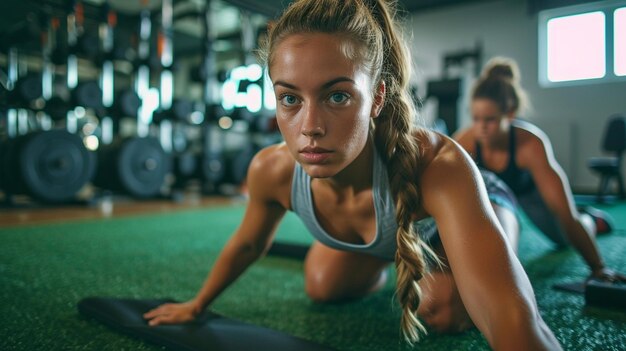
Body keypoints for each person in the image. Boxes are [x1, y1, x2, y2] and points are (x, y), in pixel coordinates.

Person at [144, 1, 562, 349]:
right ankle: (397, 257)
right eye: (290, 98)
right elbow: (250, 241)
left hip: (481, 200)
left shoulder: (439, 167)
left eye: (338, 95)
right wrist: (196, 304)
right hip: (384, 235)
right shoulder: (270, 171)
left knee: (444, 308)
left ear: (377, 96)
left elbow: (511, 316)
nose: (310, 126)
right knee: (322, 285)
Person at [454, 56, 625, 283]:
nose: (482, 127)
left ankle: (592, 220)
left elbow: (565, 214)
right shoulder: (465, 141)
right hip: (497, 199)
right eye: (476, 119)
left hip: (530, 195)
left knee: (563, 238)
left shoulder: (531, 145)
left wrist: (598, 268)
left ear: (510, 114)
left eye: (491, 120)